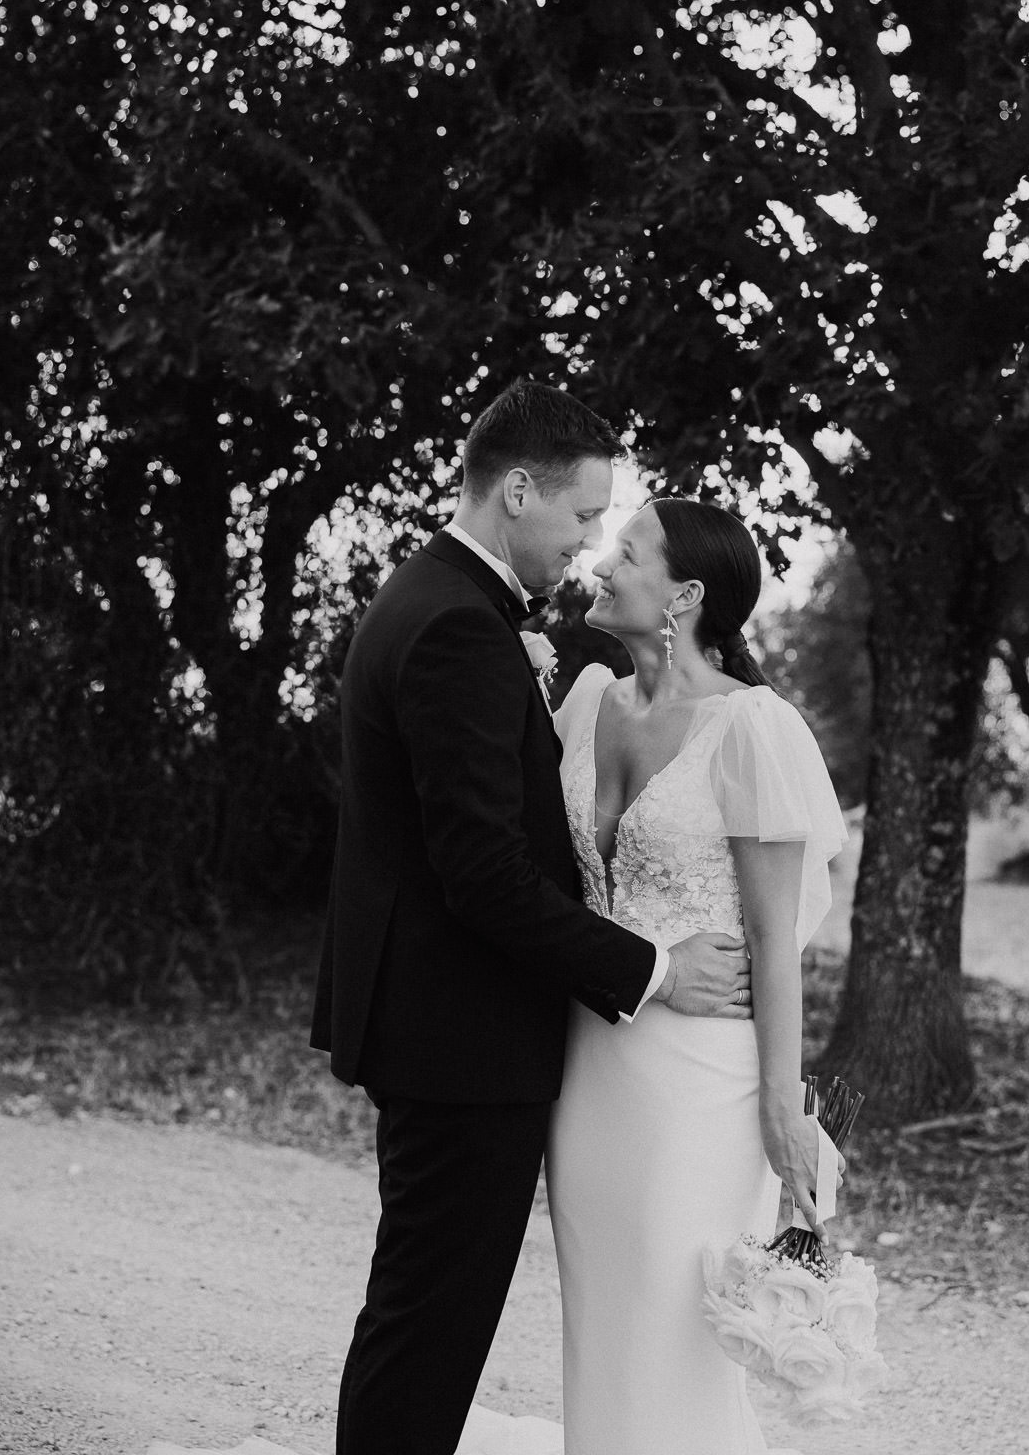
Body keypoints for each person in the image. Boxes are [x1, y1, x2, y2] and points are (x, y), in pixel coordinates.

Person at [308, 384, 753, 1455]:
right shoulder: (460, 625)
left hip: (431, 1019)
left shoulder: (433, 603)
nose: (589, 543)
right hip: (463, 1035)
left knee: (421, 1308)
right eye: (584, 516)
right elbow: (486, 880)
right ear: (518, 491)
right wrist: (649, 969)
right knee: (431, 1323)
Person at [461, 495, 847, 1455]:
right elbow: (524, 855)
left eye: (625, 551)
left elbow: (771, 945)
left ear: (684, 595)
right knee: (607, 1318)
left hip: (700, 1089)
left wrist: (780, 1113)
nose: (601, 560)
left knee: (679, 1326)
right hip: (592, 1064)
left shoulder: (752, 727)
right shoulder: (587, 699)